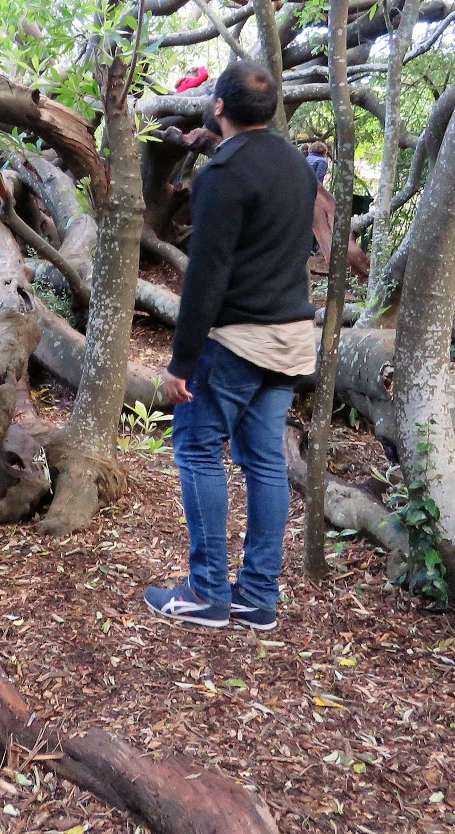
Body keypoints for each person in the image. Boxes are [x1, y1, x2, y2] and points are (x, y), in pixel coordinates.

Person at [143, 61, 318, 632]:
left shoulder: (224, 172)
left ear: (218, 106)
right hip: (292, 338)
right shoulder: (297, 166)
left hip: (239, 339)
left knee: (197, 450)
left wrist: (180, 364)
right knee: (266, 462)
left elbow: (206, 277)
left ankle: (207, 592)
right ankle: (258, 598)